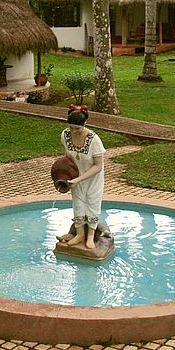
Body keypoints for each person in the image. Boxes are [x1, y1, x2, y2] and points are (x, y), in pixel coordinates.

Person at [56, 104, 105, 249]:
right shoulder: (65, 135)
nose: (74, 131)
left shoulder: (94, 140)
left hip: (92, 177)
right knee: (78, 204)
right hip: (75, 175)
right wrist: (65, 173)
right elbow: (67, 156)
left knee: (92, 204)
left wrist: (79, 179)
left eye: (77, 128)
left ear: (85, 124)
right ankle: (79, 234)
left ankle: (90, 236)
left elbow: (98, 166)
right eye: (71, 127)